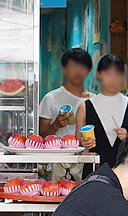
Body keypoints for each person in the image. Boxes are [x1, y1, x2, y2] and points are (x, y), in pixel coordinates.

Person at [76, 54, 128, 168]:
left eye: (117, 74)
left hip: (126, 172)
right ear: (99, 74)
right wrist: (83, 143)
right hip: (94, 172)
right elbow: (77, 143)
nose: (112, 79)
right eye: (108, 74)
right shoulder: (84, 107)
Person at [38, 48, 93, 181]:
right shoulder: (51, 98)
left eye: (83, 67)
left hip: (85, 163)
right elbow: (40, 136)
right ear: (64, 69)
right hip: (58, 164)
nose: (78, 71)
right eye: (73, 66)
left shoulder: (94, 100)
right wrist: (55, 125)